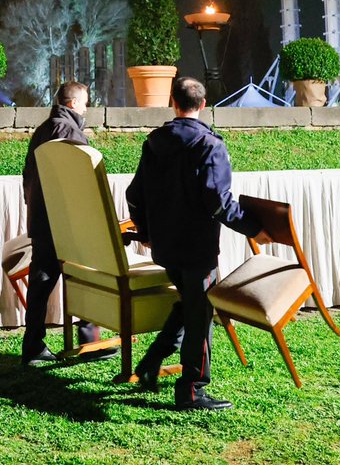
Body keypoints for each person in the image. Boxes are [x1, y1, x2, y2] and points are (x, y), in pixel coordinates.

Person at [127, 76, 270, 412]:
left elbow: (134, 194)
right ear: (203, 105)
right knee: (200, 311)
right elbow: (217, 202)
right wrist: (253, 228)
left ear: (173, 103)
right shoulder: (210, 145)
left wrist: (146, 230)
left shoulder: (154, 142)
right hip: (196, 246)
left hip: (166, 244)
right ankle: (191, 390)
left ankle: (151, 363)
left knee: (191, 303)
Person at [20, 80, 109, 366]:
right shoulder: (68, 130)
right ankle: (89, 341)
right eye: (85, 103)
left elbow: (27, 175)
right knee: (85, 277)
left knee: (42, 282)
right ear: (72, 104)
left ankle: (34, 345)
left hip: (44, 217)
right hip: (64, 221)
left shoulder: (44, 129)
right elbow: (78, 178)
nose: (87, 108)